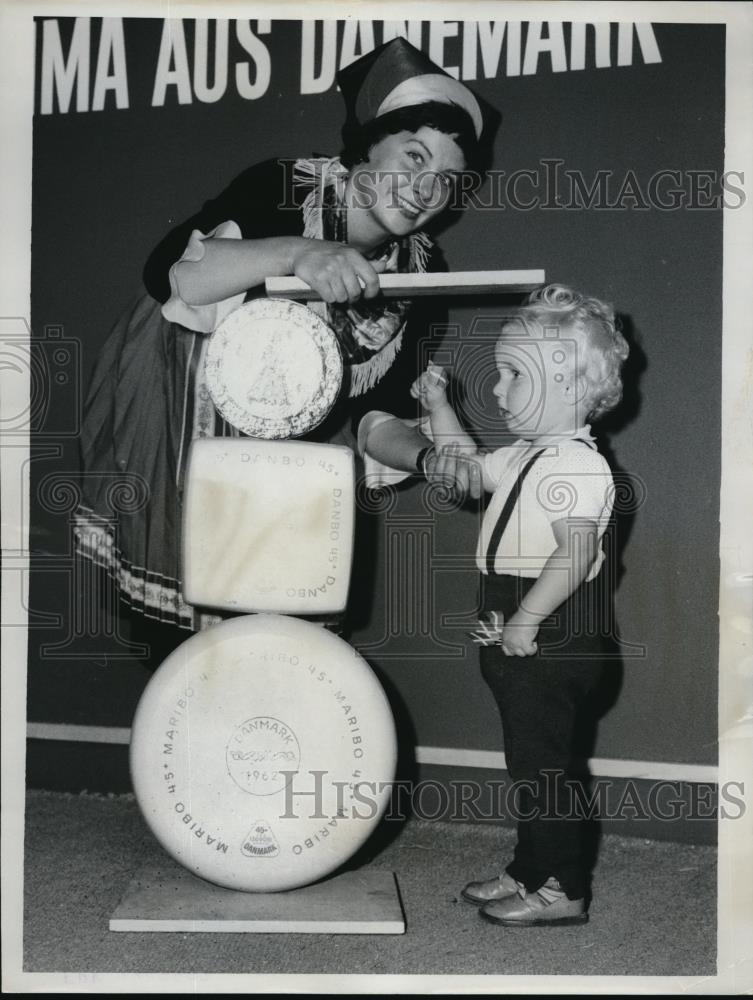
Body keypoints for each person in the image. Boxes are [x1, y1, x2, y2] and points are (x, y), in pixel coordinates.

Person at [73, 38, 489, 632]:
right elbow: (172, 277)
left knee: (276, 644)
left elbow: (374, 420)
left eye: (448, 179)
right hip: (179, 429)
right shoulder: (286, 188)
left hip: (286, 464)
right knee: (176, 641)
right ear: (368, 147)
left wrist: (429, 457)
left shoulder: (422, 277)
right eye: (414, 157)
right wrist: (300, 254)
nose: (426, 189)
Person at [359, 283, 629, 926]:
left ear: (566, 384)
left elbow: (575, 553)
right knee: (529, 760)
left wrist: (527, 621)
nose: (499, 391)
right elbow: (466, 470)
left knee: (545, 768)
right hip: (516, 619)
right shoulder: (528, 455)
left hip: (553, 629)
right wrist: (439, 406)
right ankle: (530, 870)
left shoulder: (578, 467)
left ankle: (562, 887)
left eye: (513, 375)